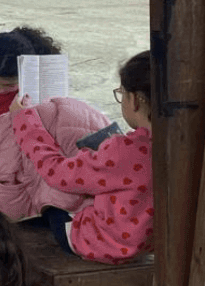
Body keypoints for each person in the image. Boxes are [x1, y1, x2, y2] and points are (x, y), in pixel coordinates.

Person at [11, 50, 153, 264]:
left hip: (101, 244)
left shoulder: (123, 150)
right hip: (150, 243)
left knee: (53, 199)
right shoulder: (182, 144)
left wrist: (24, 120)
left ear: (134, 100)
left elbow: (56, 173)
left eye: (121, 93)